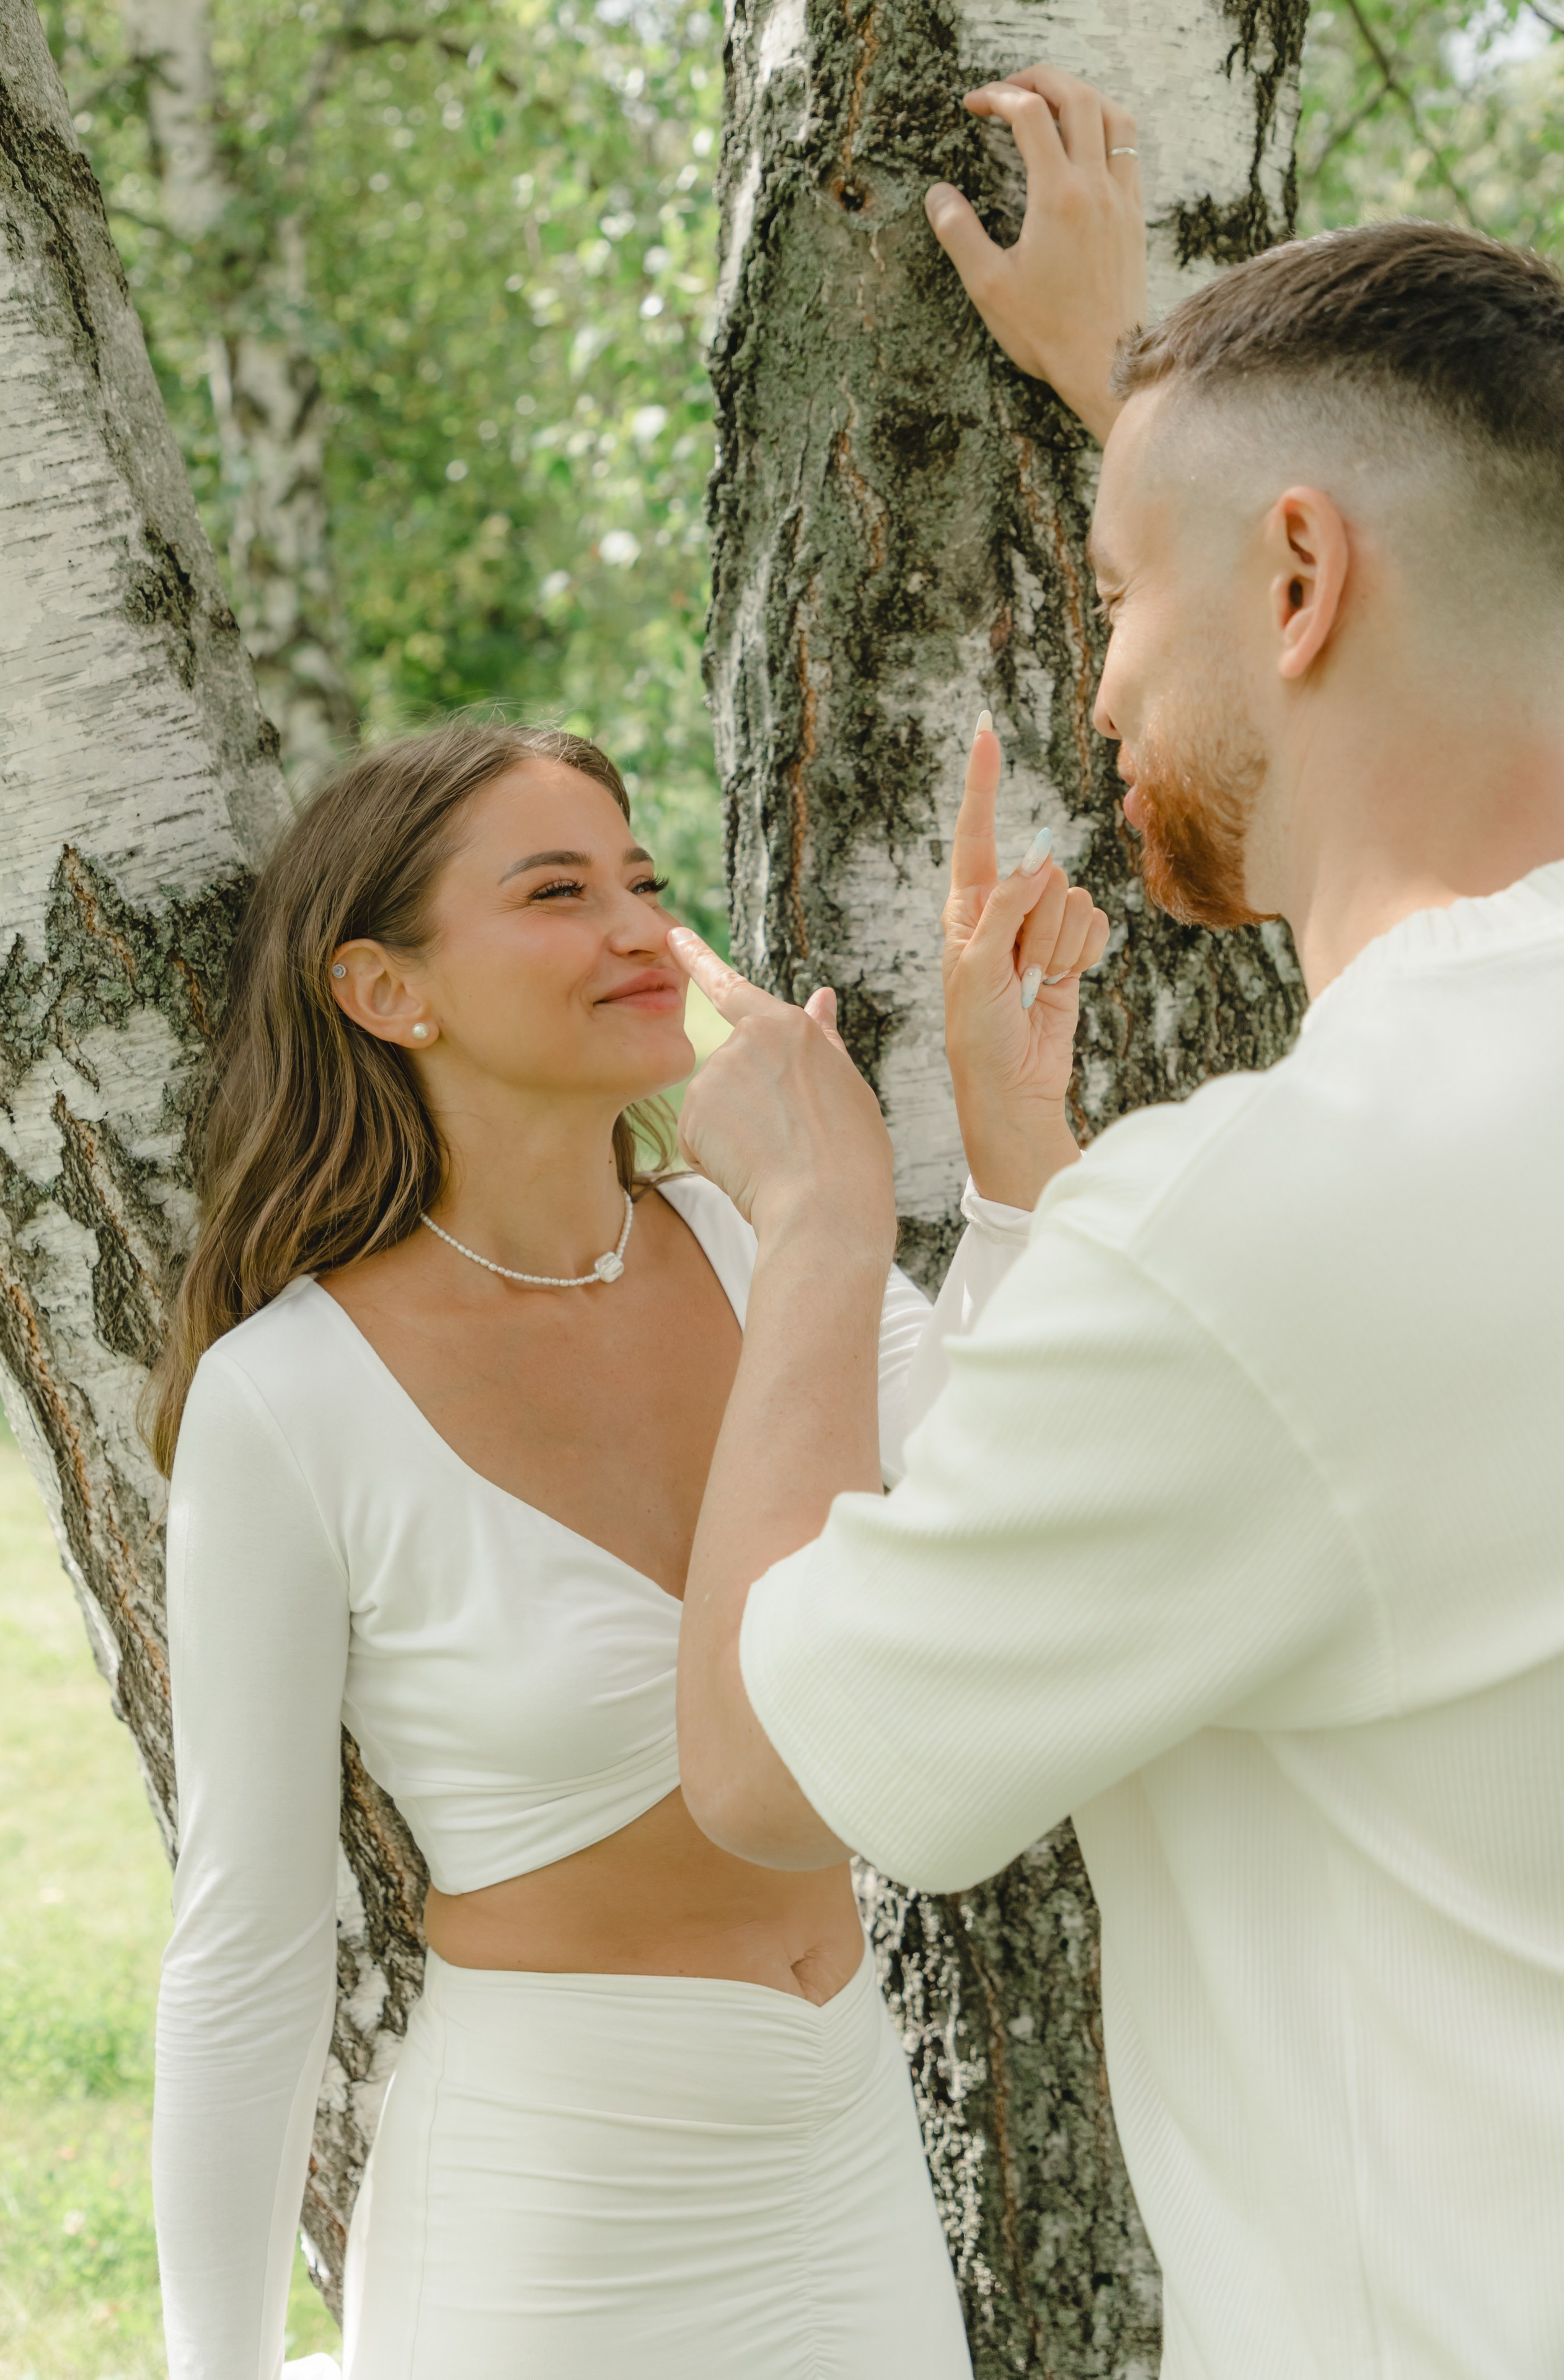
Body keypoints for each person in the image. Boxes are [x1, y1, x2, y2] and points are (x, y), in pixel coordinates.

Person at [666, 73, 1564, 2380]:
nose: (1095, 683)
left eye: (1109, 590)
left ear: (1296, 579)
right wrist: (1149, 392)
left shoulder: (1261, 1225)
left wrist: (830, 1223)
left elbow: (778, 1782)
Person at [146, 715, 1108, 2379]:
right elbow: (250, 1946)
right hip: (555, 2213)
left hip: (848, 2159)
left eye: (643, 881)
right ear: (387, 991)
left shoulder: (750, 1244)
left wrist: (1010, 1144)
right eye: (555, 890)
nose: (636, 930)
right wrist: (210, 2366)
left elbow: (998, 1499)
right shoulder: (287, 1396)